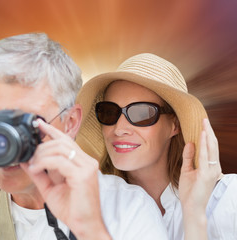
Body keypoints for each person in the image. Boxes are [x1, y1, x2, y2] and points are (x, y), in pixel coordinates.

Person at [0, 34, 169, 240]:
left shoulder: (126, 207)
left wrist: (90, 229)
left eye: (27, 123)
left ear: (70, 122)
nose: (7, 143)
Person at [76, 53, 237, 240]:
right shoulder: (89, 205)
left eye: (141, 113)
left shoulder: (226, 199)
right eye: (109, 112)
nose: (119, 129)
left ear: (175, 125)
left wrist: (194, 214)